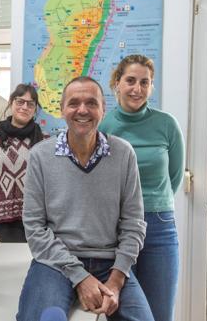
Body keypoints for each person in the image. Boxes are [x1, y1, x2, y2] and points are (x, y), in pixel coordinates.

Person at [17, 76, 154, 321]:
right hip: (55, 263)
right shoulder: (40, 156)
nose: (82, 110)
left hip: (110, 263)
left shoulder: (124, 154)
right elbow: (35, 228)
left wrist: (117, 279)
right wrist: (79, 276)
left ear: (103, 109)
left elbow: (134, 223)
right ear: (62, 110)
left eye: (91, 103)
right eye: (74, 103)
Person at [99, 54, 185, 321]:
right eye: (131, 81)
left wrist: (152, 202)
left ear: (151, 86)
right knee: (122, 313)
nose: (137, 89)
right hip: (118, 229)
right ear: (117, 83)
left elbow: (175, 176)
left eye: (144, 82)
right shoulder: (105, 126)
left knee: (159, 314)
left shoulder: (167, 124)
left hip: (159, 227)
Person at [0, 84, 47, 242]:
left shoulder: (44, 141)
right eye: (20, 101)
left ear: (35, 109)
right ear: (11, 103)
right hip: (5, 220)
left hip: (38, 218)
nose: (24, 107)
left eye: (30, 104)